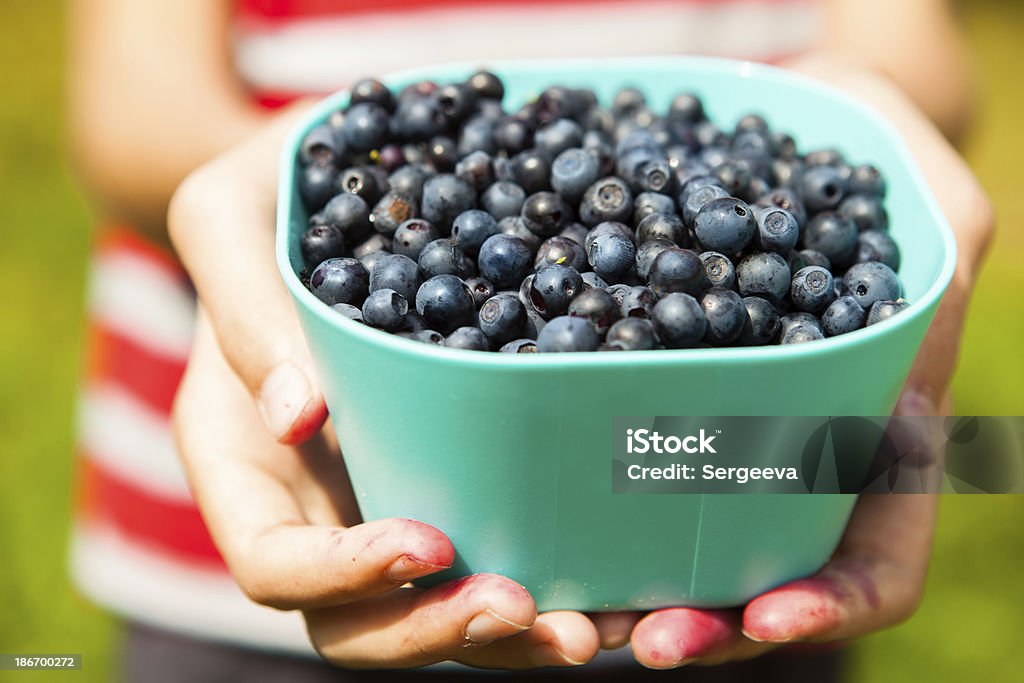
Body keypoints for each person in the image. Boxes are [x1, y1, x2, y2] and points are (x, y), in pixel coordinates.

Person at [68, 0, 993, 679]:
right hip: (291, 508)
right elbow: (133, 110)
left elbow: (913, 57)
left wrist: (878, 113)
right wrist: (242, 194)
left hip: (736, 516)